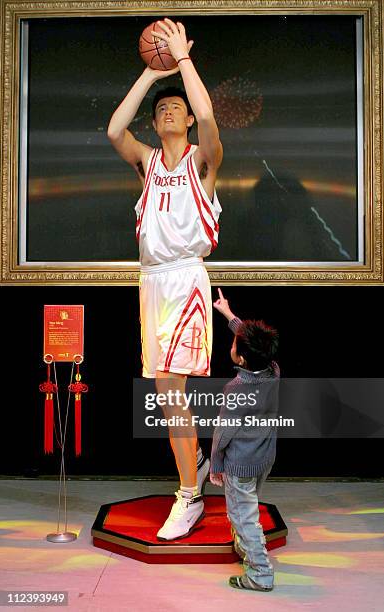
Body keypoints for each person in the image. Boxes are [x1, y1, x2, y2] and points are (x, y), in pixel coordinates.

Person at [107, 18, 223, 540]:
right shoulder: (147, 163)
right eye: (162, 109)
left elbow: (206, 111)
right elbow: (114, 130)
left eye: (175, 106)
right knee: (164, 391)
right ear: (155, 124)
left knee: (172, 389)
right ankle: (194, 465)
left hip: (186, 280)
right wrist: (150, 77)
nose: (169, 110)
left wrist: (180, 61)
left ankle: (189, 494)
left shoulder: (204, 160)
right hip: (151, 282)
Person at [210, 288, 279, 591]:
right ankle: (246, 547)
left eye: (235, 342)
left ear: (241, 357)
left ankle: (260, 574)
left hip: (240, 464)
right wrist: (228, 314)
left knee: (244, 517)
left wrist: (214, 464)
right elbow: (256, 346)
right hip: (264, 457)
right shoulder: (273, 371)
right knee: (248, 507)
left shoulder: (237, 388)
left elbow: (224, 432)